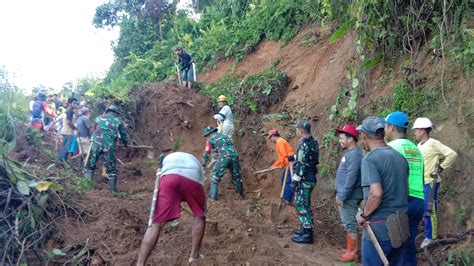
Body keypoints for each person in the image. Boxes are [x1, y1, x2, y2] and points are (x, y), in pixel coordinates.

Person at [137, 152, 206, 265]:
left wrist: (175, 199)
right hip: (192, 177)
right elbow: (199, 182)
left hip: (169, 178)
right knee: (199, 215)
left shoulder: (167, 159)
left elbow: (163, 177)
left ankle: (140, 264)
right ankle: (194, 255)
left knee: (155, 224)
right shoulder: (195, 161)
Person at [356, 117, 409, 266]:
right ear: (384, 133)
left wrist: (364, 215)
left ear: (364, 136)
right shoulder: (400, 158)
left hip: (379, 229)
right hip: (401, 226)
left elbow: (376, 194)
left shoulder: (370, 160)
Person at [384, 111, 424, 265]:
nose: (384, 130)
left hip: (402, 200)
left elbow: (389, 176)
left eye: (386, 126)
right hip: (419, 200)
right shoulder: (415, 149)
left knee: (394, 243)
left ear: (392, 127)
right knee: (408, 242)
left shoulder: (392, 147)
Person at [413, 117, 457, 248]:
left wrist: (441, 167)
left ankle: (430, 237)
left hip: (431, 181)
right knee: (424, 208)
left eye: (416, 130)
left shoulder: (433, 143)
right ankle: (428, 233)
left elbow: (452, 154)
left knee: (429, 209)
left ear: (423, 131)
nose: (415, 133)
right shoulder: (418, 146)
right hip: (421, 182)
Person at [334, 124, 363, 262]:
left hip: (349, 197)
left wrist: (342, 195)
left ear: (351, 139)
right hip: (348, 195)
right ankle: (350, 249)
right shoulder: (352, 153)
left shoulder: (355, 154)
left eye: (342, 138)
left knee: (349, 223)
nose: (340, 140)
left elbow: (352, 176)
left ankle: (352, 253)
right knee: (348, 223)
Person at [84, 105, 128, 192]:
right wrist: (125, 144)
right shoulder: (118, 121)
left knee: (89, 166)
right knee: (111, 169)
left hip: (95, 143)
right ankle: (113, 191)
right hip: (108, 145)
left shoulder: (98, 118)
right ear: (115, 113)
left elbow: (93, 129)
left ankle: (87, 189)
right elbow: (123, 135)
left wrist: (93, 138)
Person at [291, 120, 319, 244]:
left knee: (302, 204)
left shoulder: (304, 145)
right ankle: (304, 228)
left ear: (301, 131)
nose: (296, 131)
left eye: (297, 129)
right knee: (303, 203)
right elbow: (308, 157)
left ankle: (308, 234)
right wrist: (294, 158)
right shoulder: (313, 142)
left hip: (305, 178)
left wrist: (295, 180)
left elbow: (302, 164)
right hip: (310, 176)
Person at [202, 126, 243, 200]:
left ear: (208, 134)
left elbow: (207, 152)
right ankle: (240, 195)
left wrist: (203, 163)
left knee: (215, 177)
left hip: (224, 157)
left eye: (206, 136)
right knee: (237, 176)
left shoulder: (210, 139)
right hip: (235, 156)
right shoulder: (224, 136)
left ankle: (213, 199)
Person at [267, 129, 295, 204]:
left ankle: (287, 200)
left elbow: (284, 156)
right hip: (288, 163)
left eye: (270, 138)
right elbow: (281, 158)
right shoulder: (280, 142)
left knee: (287, 181)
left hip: (290, 163)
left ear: (273, 136)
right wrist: (274, 165)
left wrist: (281, 165)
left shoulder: (280, 142)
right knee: (284, 180)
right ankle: (287, 198)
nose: (270, 140)